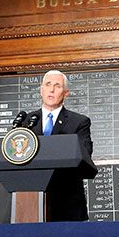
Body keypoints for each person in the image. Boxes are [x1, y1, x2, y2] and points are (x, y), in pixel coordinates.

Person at [28, 70, 93, 221]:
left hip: (68, 202)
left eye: (57, 86)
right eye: (48, 85)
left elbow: (85, 154)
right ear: (41, 89)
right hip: (30, 200)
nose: (51, 90)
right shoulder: (27, 121)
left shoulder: (79, 122)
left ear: (66, 93)